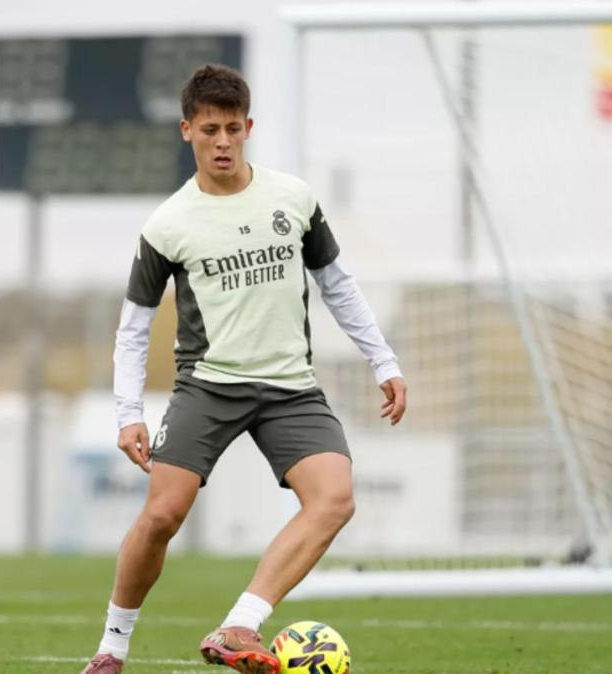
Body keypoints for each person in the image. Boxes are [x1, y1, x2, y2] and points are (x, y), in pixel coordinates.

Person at [81, 64, 407, 674]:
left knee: (334, 500)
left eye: (233, 128)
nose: (223, 141)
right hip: (209, 385)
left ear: (249, 126)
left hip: (291, 388)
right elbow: (133, 326)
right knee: (161, 515)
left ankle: (241, 625)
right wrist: (128, 413)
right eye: (210, 130)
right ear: (187, 131)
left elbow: (337, 285)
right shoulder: (167, 225)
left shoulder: (293, 198)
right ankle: (111, 649)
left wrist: (382, 359)